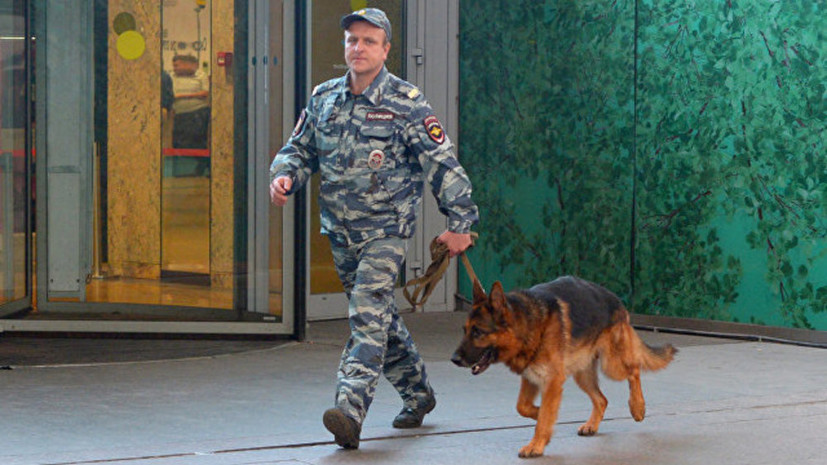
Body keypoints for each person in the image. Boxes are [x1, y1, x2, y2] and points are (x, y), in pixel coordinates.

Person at [269, 8, 479, 450]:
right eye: (352, 41)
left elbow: (441, 163)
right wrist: (286, 173)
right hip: (340, 232)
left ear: (386, 49)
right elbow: (300, 148)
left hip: (386, 231)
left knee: (367, 312)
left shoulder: (406, 102)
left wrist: (461, 223)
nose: (358, 48)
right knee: (379, 316)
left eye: (368, 41)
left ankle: (349, 410)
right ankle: (419, 393)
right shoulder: (324, 97)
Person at [170, 54, 210, 150]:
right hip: (179, 114)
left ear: (187, 65)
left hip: (198, 113)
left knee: (196, 144)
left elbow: (204, 93)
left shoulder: (201, 76)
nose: (175, 68)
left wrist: (182, 96)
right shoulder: (171, 76)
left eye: (177, 65)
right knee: (178, 144)